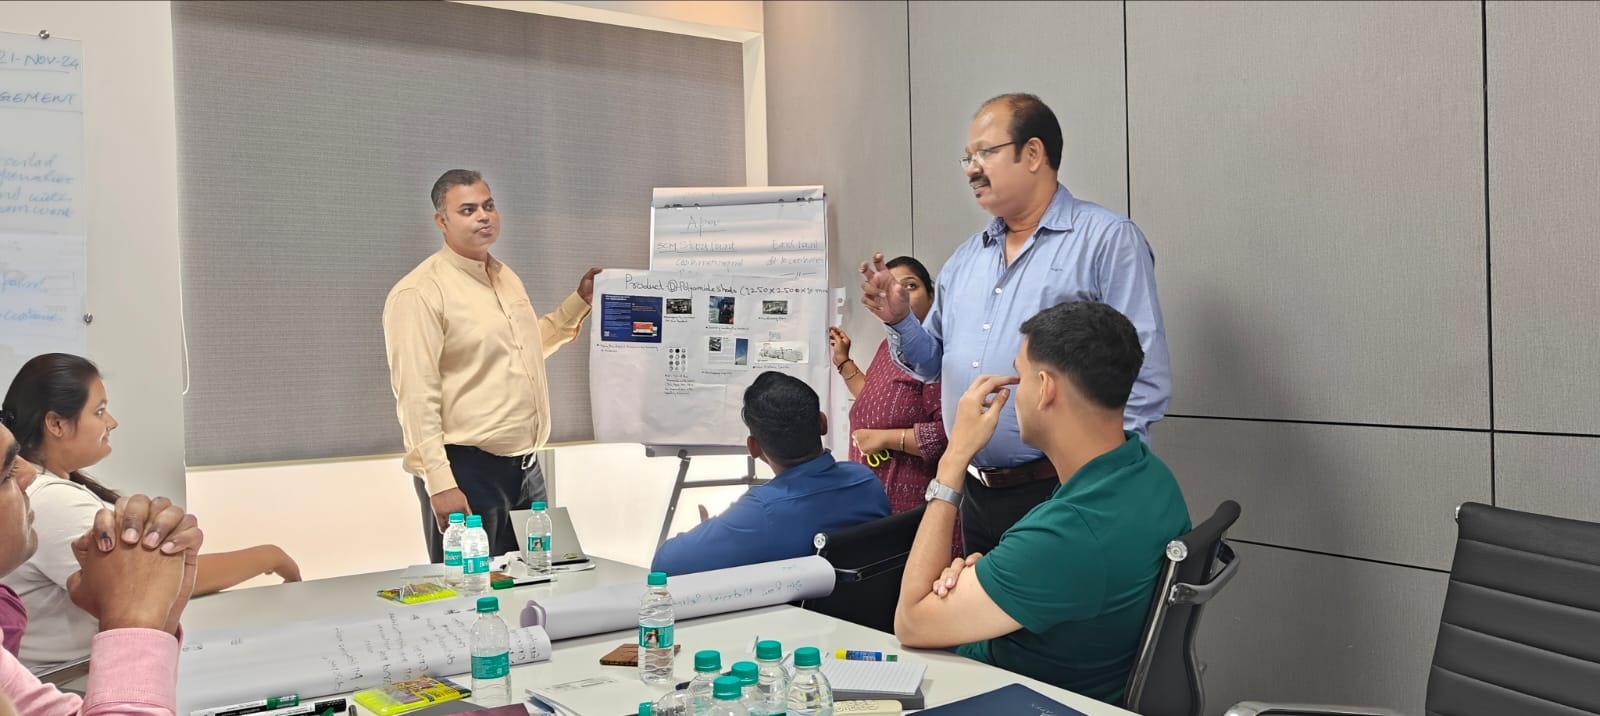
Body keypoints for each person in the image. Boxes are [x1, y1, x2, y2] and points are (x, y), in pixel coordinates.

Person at [860, 92, 1172, 557]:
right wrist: (901, 319)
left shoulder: (1105, 240)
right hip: (976, 493)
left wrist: (1100, 484)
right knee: (983, 605)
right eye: (967, 157)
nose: (971, 169)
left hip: (1065, 490)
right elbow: (932, 364)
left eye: (985, 152)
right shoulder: (965, 259)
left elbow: (1142, 374)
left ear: (1033, 153)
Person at [891, 302, 1189, 703]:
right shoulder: (1149, 475)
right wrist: (1001, 575)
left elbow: (911, 622)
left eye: (1020, 376)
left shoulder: (1070, 533)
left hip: (1013, 695)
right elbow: (1058, 569)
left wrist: (954, 458)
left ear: (1046, 388)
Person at [0, 354, 298, 670]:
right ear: (56, 424)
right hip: (79, 679)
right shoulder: (53, 499)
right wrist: (268, 556)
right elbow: (147, 580)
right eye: (99, 411)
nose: (111, 422)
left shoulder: (59, 488)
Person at [383, 169, 602, 561]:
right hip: (467, 473)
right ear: (442, 221)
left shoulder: (505, 277)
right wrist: (439, 482)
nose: (483, 216)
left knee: (538, 583)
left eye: (488, 206)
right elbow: (415, 395)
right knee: (472, 589)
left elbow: (523, 348)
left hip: (526, 471)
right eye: (468, 210)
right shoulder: (419, 292)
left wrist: (580, 302)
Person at [0, 418, 204, 715]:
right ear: (56, 424)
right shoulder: (57, 498)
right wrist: (135, 619)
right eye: (6, 474)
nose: (28, 474)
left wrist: (160, 617)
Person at [651, 372, 891, 575]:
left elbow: (665, 564)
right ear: (822, 423)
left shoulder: (762, 511)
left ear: (753, 447)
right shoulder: (866, 481)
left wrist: (713, 537)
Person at [828, 256, 960, 557]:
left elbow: (948, 435)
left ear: (932, 296)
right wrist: (844, 362)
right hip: (876, 506)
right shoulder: (888, 346)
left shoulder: (937, 355)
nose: (898, 294)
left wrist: (886, 439)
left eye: (910, 286)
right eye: (889, 288)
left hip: (916, 511)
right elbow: (878, 402)